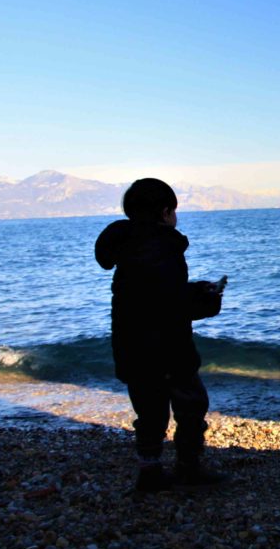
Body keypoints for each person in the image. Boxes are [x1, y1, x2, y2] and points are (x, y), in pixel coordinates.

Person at [95, 178, 228, 492]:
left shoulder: (127, 248)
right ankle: (189, 467)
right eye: (175, 211)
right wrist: (208, 299)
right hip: (170, 348)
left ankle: (150, 469)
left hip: (131, 348)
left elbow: (150, 296)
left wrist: (193, 290)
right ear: (166, 212)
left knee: (149, 412)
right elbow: (170, 304)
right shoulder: (164, 246)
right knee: (191, 407)